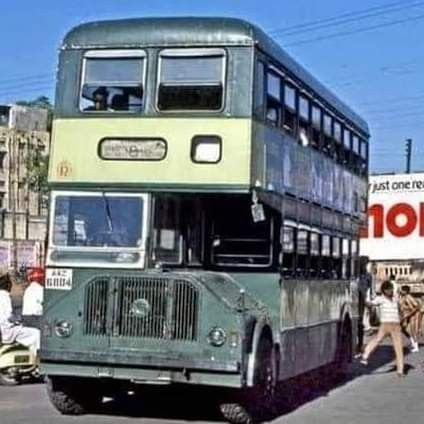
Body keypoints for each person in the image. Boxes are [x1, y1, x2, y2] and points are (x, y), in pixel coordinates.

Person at [358, 280, 404, 377]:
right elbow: (370, 304)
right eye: (388, 289)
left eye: (391, 289)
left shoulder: (396, 299)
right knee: (377, 340)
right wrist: (364, 300)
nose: (391, 291)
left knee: (398, 347)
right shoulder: (380, 299)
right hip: (385, 324)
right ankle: (365, 356)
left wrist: (401, 320)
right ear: (384, 290)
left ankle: (400, 370)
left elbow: (400, 310)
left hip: (396, 325)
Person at [0, 273, 40, 356]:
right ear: (8, 285)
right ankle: (33, 357)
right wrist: (18, 319)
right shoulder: (4, 296)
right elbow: (8, 317)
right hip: (8, 331)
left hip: (3, 329)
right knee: (36, 334)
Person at [399, 285, 420, 353]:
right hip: (406, 316)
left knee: (413, 330)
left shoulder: (409, 297)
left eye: (402, 290)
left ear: (405, 291)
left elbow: (417, 306)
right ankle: (412, 342)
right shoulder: (403, 297)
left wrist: (409, 314)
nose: (400, 290)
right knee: (403, 329)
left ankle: (416, 347)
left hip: (412, 316)